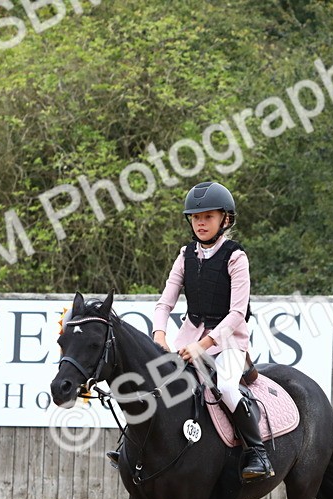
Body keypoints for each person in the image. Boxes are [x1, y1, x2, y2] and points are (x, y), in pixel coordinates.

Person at [106, 181, 273, 481]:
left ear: (226, 219)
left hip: (228, 343)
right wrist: (159, 334)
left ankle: (257, 452)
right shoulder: (185, 255)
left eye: (208, 216)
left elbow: (237, 313)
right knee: (151, 382)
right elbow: (165, 301)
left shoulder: (236, 258)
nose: (201, 223)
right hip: (189, 336)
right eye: (196, 217)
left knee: (228, 388)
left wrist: (204, 345)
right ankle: (131, 448)